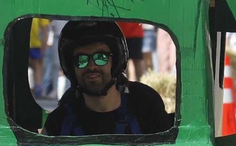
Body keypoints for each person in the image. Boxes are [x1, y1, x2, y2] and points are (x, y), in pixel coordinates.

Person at [43, 20, 173, 137]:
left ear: (115, 61)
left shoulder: (145, 107)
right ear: (72, 68)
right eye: (81, 60)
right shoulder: (59, 123)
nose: (92, 66)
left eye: (101, 57)